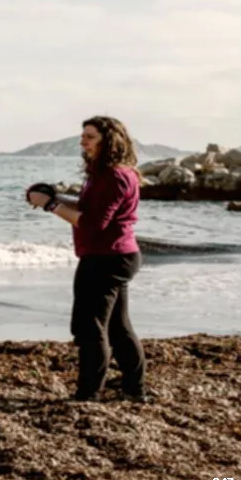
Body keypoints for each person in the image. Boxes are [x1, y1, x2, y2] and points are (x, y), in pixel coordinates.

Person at [26, 116, 148, 403]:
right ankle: (134, 389)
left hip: (107, 259)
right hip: (116, 255)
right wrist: (53, 198)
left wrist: (51, 205)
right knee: (118, 326)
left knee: (89, 327)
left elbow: (92, 224)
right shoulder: (107, 174)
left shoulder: (114, 176)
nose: (83, 141)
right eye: (83, 135)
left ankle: (88, 394)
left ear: (109, 141)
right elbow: (89, 209)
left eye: (90, 136)